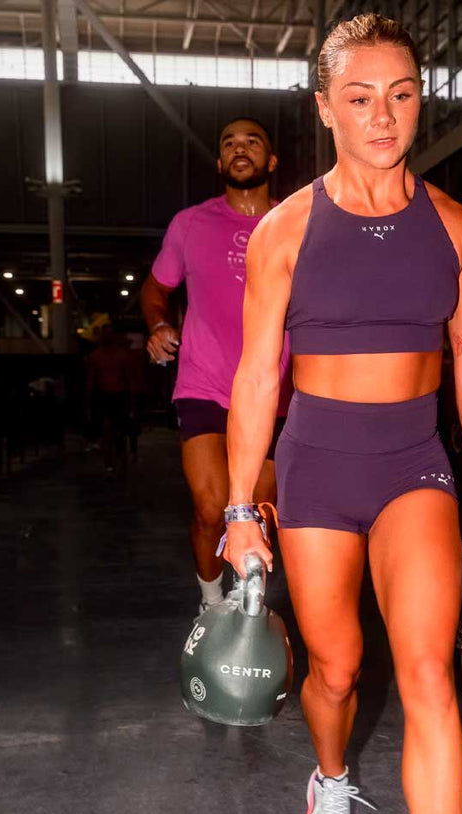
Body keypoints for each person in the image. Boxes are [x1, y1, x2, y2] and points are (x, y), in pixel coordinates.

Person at [223, 14, 462, 814]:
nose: (382, 116)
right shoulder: (285, 230)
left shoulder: (454, 227)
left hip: (413, 466)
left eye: (399, 94)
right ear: (324, 109)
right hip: (314, 468)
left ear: (419, 101)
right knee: (338, 670)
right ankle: (333, 778)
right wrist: (239, 508)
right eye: (359, 97)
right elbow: (256, 377)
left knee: (428, 671)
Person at [142, 118, 291, 614]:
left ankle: (245, 608)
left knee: (257, 513)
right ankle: (210, 603)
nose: (239, 148)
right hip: (204, 384)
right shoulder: (190, 224)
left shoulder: (295, 223)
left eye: (252, 141)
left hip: (274, 389)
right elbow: (155, 289)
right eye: (229, 142)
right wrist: (158, 324)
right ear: (221, 161)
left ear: (271, 161)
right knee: (211, 508)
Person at [85, 318, 133, 473]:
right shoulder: (95, 356)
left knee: (120, 431)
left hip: (120, 395)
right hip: (103, 396)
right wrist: (88, 402)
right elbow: (91, 380)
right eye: (105, 334)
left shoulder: (122, 355)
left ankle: (119, 459)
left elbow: (129, 379)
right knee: (106, 430)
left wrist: (133, 401)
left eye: (110, 334)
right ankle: (109, 464)